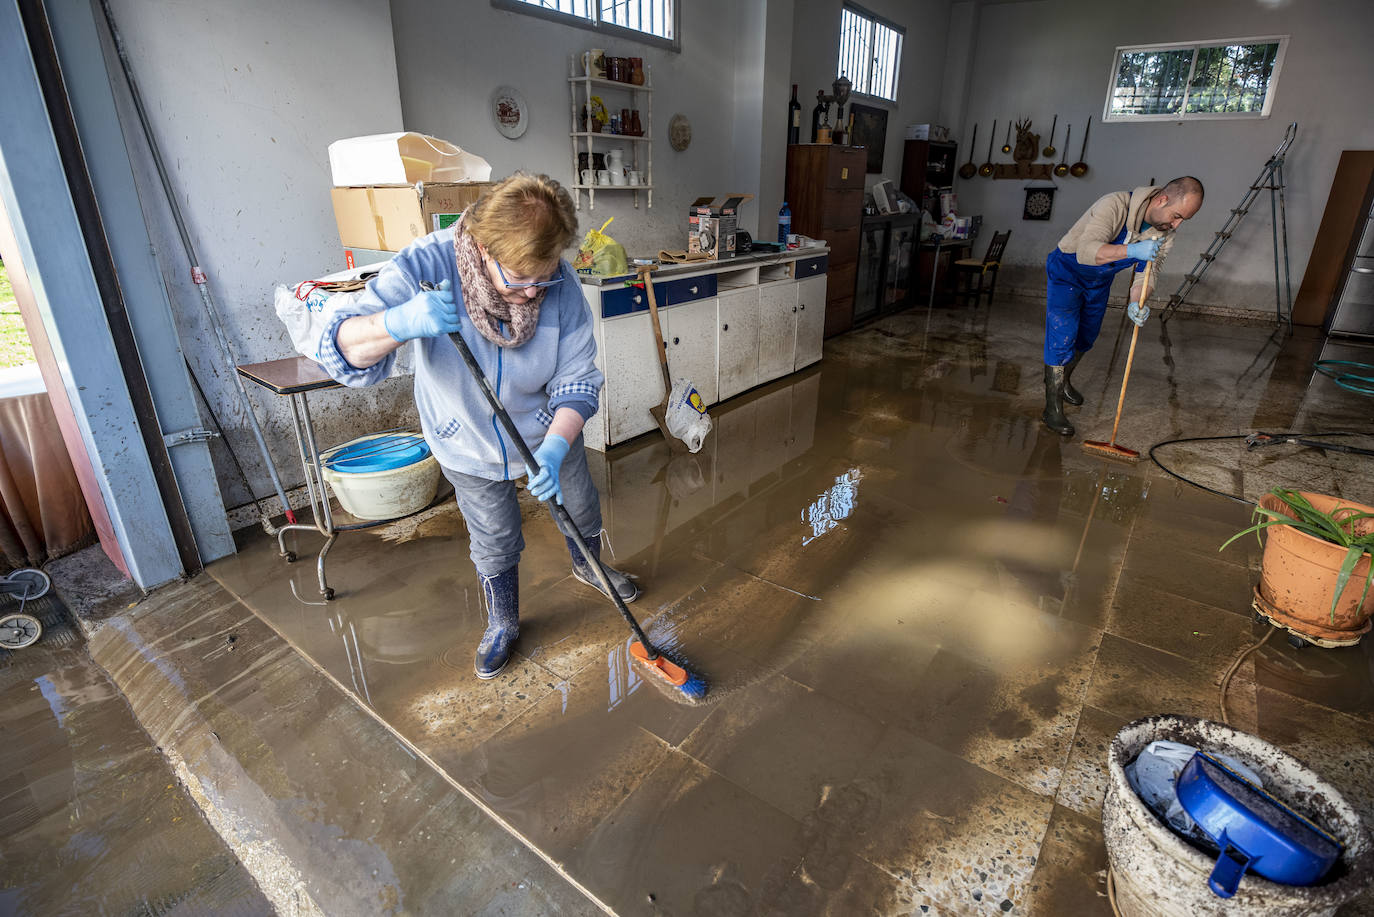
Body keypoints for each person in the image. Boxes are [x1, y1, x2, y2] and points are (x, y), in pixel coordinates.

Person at [316, 172, 638, 680]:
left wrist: (555, 447)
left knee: (578, 504)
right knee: (494, 532)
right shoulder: (425, 266)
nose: (534, 294)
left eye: (544, 278)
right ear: (485, 250)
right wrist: (397, 323)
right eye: (519, 280)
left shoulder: (563, 285)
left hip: (547, 430)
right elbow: (338, 347)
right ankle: (504, 620)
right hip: (462, 434)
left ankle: (588, 566)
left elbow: (578, 378)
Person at [1041, 176, 1204, 436]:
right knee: (1062, 337)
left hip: (1099, 279)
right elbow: (1086, 251)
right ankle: (1052, 408)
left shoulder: (1165, 232)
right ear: (1162, 199)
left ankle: (1064, 382)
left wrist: (1138, 300)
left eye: (1183, 220)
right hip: (1067, 272)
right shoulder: (1114, 204)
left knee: (1086, 337)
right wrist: (1132, 251)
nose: (1176, 224)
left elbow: (1149, 270)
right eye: (1176, 216)